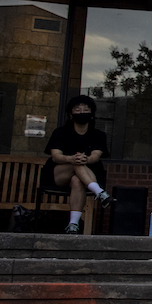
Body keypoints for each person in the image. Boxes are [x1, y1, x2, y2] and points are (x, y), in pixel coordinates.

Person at [43, 94, 113, 234]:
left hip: (84, 176)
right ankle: (99, 192)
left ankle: (73, 224)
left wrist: (86, 159)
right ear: (70, 114)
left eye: (86, 109)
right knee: (76, 164)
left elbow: (95, 156)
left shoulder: (98, 135)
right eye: (78, 109)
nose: (82, 112)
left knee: (77, 179)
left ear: (92, 113)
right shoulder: (60, 132)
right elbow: (56, 156)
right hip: (59, 175)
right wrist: (71, 159)